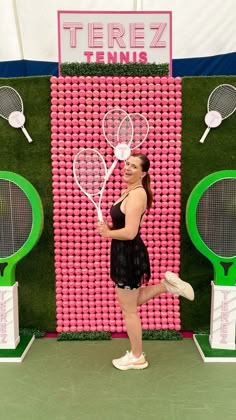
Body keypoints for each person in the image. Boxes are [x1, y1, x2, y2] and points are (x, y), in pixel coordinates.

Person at [97, 152, 194, 371]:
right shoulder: (127, 191)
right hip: (123, 252)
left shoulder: (137, 195)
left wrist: (107, 233)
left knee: (129, 309)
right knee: (130, 303)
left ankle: (137, 357)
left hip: (128, 253)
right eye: (127, 164)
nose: (128, 168)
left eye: (134, 166)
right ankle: (166, 286)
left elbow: (131, 232)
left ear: (143, 173)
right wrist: (110, 230)